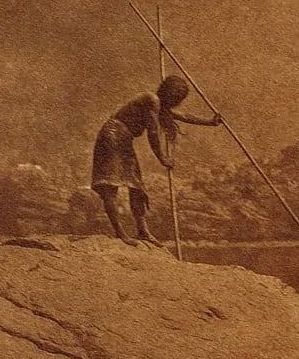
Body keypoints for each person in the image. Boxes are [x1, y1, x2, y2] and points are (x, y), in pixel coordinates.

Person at [91, 74, 222, 246]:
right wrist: (162, 158)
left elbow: (184, 116)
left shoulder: (158, 104)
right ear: (171, 95)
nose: (177, 103)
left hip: (123, 138)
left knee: (136, 185)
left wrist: (210, 122)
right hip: (112, 135)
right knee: (110, 185)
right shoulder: (151, 99)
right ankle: (121, 233)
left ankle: (142, 230)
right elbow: (153, 133)